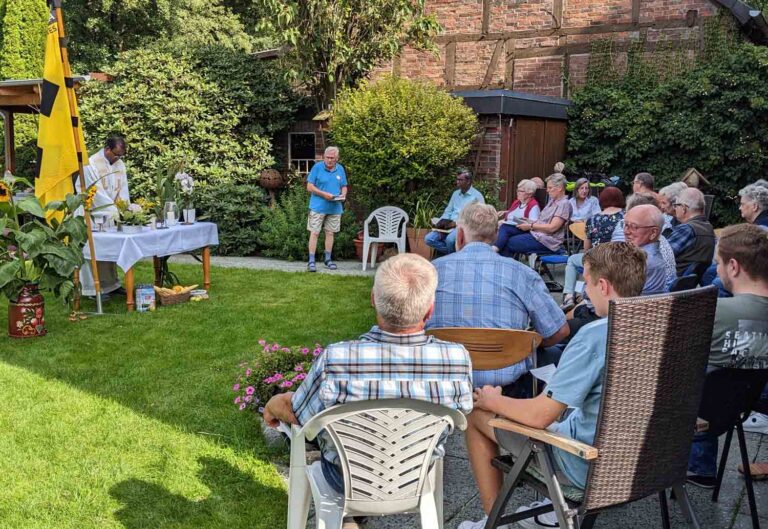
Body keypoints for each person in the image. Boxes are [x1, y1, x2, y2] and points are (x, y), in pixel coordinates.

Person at [457, 243, 647, 529]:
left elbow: (539, 416)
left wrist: (492, 401)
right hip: (643, 461)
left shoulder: (595, 336)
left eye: (587, 281)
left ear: (604, 286)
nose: (585, 290)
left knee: (474, 416)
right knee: (564, 412)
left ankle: (494, 522)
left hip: (586, 464)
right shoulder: (658, 322)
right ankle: (550, 510)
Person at [262, 253, 474, 499]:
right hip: (416, 477)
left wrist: (273, 404)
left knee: (309, 431)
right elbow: (463, 413)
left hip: (345, 478)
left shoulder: (338, 358)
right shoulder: (455, 359)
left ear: (373, 299)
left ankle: (347, 517)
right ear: (430, 310)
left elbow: (298, 413)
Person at [427, 203, 569, 388]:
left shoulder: (431, 271)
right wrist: (523, 344)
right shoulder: (522, 273)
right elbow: (559, 331)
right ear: (496, 235)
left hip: (443, 381)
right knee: (560, 354)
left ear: (459, 235)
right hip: (507, 387)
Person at [686, 224, 768, 488]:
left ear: (733, 266)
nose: (717, 269)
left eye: (718, 263)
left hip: (693, 415)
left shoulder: (711, 311)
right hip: (743, 407)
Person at [75, 136, 129, 297]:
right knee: (93, 252)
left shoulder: (119, 164)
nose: (118, 158)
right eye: (116, 154)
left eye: (121, 155)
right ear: (107, 149)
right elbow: (96, 192)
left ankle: (111, 285)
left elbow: (123, 189)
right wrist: (113, 209)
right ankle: (93, 288)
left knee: (108, 251)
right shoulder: (90, 164)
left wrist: (125, 208)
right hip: (92, 213)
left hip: (109, 215)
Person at [561, 187, 625, 309]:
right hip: (619, 260)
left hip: (596, 260)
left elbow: (587, 247)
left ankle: (568, 296)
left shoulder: (593, 219)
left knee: (572, 260)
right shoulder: (625, 216)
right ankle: (581, 294)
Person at [700, 180, 768, 294]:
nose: (739, 208)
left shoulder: (760, 230)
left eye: (742, 204)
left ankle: (714, 308)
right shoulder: (759, 227)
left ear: (754, 206)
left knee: (715, 278)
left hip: (755, 277)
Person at [498, 173, 571, 257]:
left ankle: (502, 262)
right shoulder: (552, 201)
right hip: (537, 235)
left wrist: (531, 226)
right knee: (506, 230)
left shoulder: (564, 204)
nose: (547, 190)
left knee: (509, 242)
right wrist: (528, 221)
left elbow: (552, 228)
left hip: (548, 241)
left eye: (550, 188)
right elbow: (543, 222)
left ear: (560, 188)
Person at [306, 146, 347, 272]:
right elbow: (309, 187)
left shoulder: (340, 169)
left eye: (332, 158)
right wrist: (324, 194)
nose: (329, 160)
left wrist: (343, 194)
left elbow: (344, 185)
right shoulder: (317, 167)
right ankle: (311, 261)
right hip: (318, 207)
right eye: (327, 158)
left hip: (335, 207)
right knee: (315, 232)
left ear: (337, 158)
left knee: (330, 233)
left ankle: (328, 260)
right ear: (324, 157)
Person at [424, 168, 485, 255]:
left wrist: (456, 223)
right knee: (428, 239)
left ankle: (451, 256)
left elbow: (479, 217)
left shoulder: (477, 196)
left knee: (449, 240)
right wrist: (441, 222)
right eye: (457, 179)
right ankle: (455, 254)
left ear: (468, 181)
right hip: (448, 225)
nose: (457, 182)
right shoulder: (455, 194)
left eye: (460, 180)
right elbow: (448, 211)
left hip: (463, 226)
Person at [622, 204, 671, 294]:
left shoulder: (641, 261)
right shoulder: (645, 253)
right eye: (625, 225)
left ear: (653, 233)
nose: (626, 231)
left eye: (634, 226)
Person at [667, 187, 716, 276]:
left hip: (673, 281)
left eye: (676, 205)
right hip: (689, 283)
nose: (674, 209)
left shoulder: (686, 229)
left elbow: (664, 255)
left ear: (684, 208)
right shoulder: (708, 227)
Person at [494, 179, 541, 252]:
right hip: (511, 228)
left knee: (505, 228)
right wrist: (505, 215)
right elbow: (512, 214)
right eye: (517, 190)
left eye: (520, 191)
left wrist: (507, 222)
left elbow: (534, 224)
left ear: (530, 193)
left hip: (523, 230)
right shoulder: (517, 203)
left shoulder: (533, 206)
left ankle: (494, 250)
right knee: (495, 228)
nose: (517, 193)